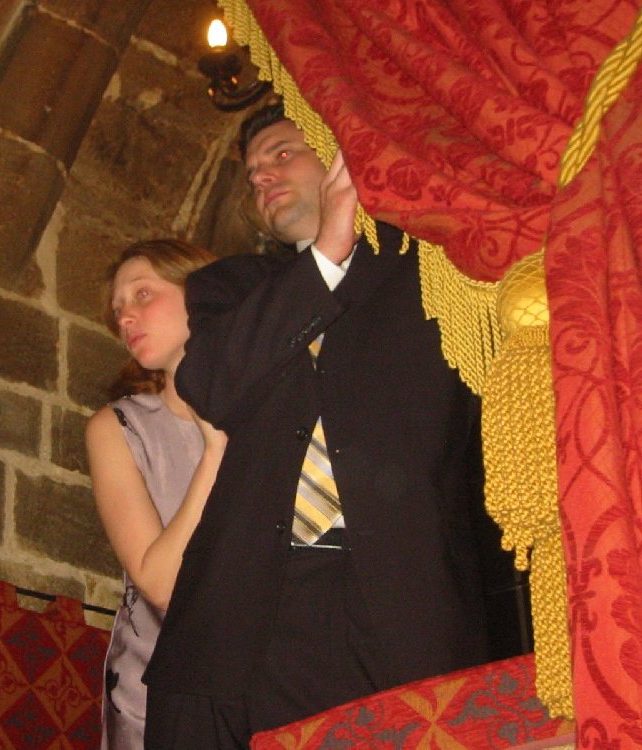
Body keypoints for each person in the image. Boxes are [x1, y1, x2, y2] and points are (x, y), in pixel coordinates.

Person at [142, 101, 499, 747]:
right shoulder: (232, 287)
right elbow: (210, 384)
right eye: (252, 171)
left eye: (283, 154)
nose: (262, 176)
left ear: (340, 159)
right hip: (247, 603)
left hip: (402, 598)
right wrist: (327, 254)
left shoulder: (435, 270)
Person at [86, 238, 224, 749]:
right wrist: (216, 451)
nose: (125, 317)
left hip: (262, 690)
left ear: (202, 293)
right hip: (156, 696)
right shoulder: (117, 428)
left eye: (143, 294)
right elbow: (161, 586)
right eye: (118, 308)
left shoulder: (271, 416)